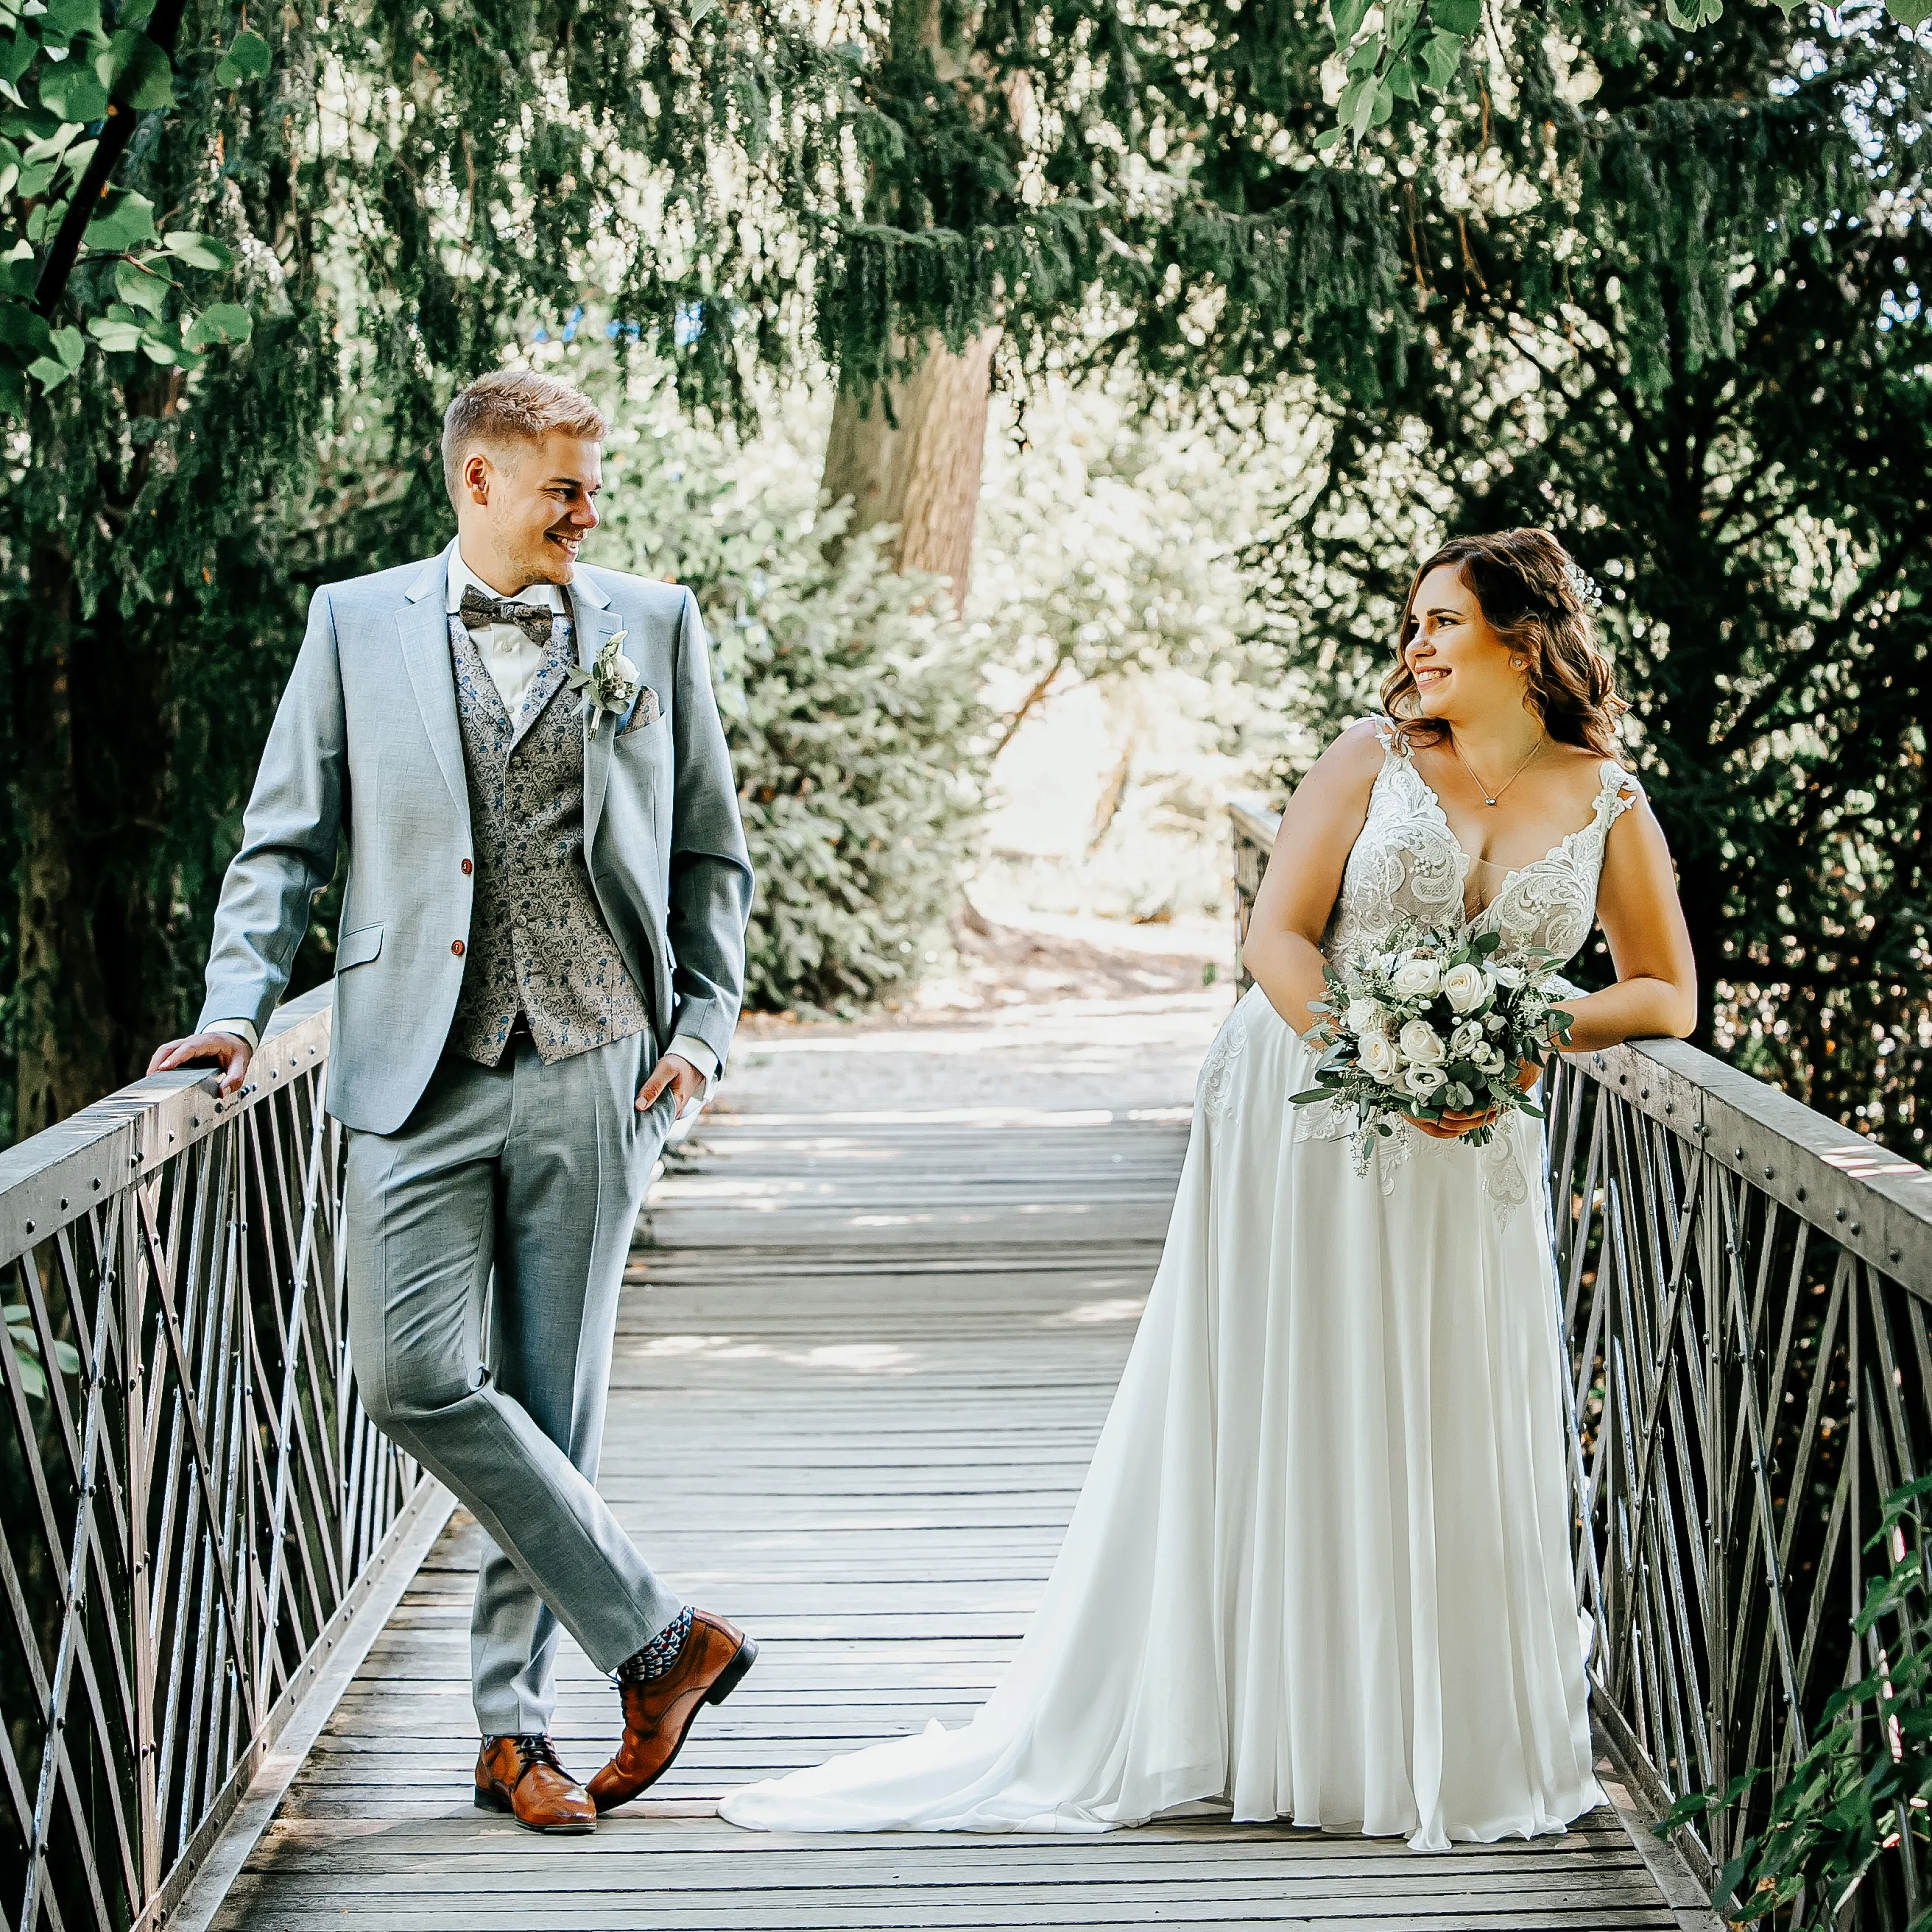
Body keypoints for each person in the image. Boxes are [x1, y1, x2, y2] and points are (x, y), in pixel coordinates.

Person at [720, 528, 1697, 1848]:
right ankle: (1264, 1724)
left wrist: (1517, 1033)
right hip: (1302, 1104)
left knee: (1446, 1401)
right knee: (1298, 1391)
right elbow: (1275, 939)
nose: (1414, 645)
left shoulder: (1606, 799)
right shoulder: (1372, 758)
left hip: (1476, 1145)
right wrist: (1381, 1054)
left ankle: (1421, 1740)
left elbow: (1665, 996)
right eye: (1411, 621)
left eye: (1443, 622)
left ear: (1524, 641)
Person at [149, 370, 758, 1835]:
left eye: (587, 486)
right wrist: (236, 1010)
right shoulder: (353, 624)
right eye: (561, 487)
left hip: (597, 1059)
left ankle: (512, 1731)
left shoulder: (650, 622)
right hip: (413, 1068)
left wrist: (709, 1028)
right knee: (410, 1378)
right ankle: (660, 1638)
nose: (587, 510)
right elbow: (281, 842)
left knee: (553, 1405)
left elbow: (708, 855)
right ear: (480, 482)